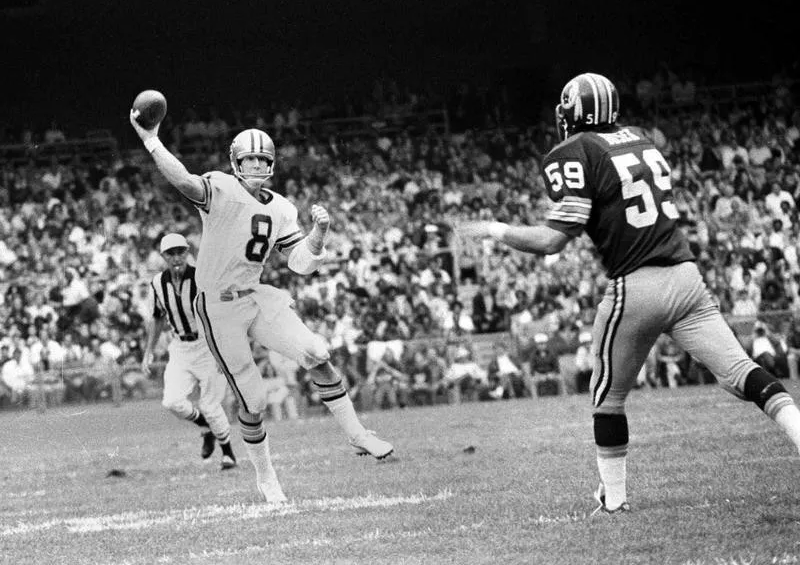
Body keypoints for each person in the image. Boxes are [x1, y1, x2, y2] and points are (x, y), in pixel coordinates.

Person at [458, 72, 800, 515]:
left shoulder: (573, 151)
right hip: (685, 276)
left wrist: (495, 229)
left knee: (608, 398)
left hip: (635, 285)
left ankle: (615, 500)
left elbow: (552, 241)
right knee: (741, 373)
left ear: (576, 113)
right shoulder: (641, 140)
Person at [130, 110, 393, 503]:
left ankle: (358, 434)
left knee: (317, 353)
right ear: (235, 163)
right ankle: (266, 478)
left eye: (262, 159)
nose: (256, 165)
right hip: (217, 308)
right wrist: (151, 138)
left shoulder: (282, 208)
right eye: (249, 159)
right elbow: (183, 178)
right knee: (252, 401)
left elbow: (300, 264)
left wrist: (319, 234)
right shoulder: (218, 188)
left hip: (255, 295)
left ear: (271, 164)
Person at [141, 233, 237, 471]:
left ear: (187, 253)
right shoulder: (157, 283)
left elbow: (220, 309)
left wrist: (221, 349)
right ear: (163, 256)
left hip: (207, 346)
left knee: (210, 404)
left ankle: (228, 453)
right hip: (180, 347)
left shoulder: (201, 277)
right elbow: (156, 317)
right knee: (172, 401)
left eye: (180, 252)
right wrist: (148, 352)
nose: (176, 258)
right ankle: (206, 428)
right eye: (170, 253)